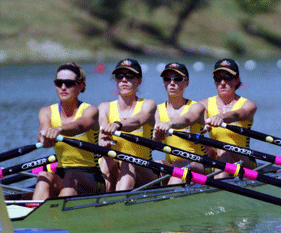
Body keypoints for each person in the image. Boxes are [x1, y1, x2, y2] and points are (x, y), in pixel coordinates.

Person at [32, 62, 105, 200]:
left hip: (92, 176)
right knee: (43, 175)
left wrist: (59, 129)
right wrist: (43, 138)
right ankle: (33, 214)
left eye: (69, 83)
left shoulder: (90, 111)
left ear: (80, 86)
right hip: (62, 173)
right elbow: (43, 129)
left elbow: (79, 126)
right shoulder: (46, 112)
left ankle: (55, 215)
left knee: (72, 177)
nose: (63, 87)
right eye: (59, 83)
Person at [98, 58, 157, 191]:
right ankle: (102, 202)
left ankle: (117, 203)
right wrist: (103, 139)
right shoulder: (104, 107)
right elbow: (102, 130)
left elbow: (137, 121)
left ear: (139, 81)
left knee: (127, 161)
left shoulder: (148, 105)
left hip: (145, 170)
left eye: (130, 76)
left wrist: (118, 125)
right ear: (116, 80)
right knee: (106, 159)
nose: (124, 80)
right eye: (120, 76)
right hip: (114, 168)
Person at [199, 58, 257, 179]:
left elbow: (238, 114)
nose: (223, 82)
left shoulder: (248, 105)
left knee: (224, 149)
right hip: (214, 158)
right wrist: (203, 127)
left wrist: (221, 117)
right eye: (218, 78)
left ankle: (220, 189)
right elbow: (198, 120)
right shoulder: (204, 104)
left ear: (237, 80)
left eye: (227, 78)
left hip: (244, 159)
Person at [153, 62, 210, 185]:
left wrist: (169, 124)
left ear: (186, 83)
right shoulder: (157, 110)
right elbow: (154, 132)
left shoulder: (196, 107)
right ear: (164, 83)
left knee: (179, 164)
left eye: (178, 79)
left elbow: (187, 119)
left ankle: (169, 199)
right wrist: (154, 136)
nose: (172, 83)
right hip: (172, 164)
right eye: (167, 79)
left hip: (201, 165)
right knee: (155, 165)